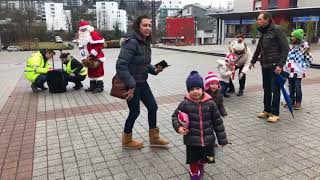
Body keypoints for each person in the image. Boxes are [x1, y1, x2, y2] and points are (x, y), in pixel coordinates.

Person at [116, 15, 169, 149]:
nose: (148, 28)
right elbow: (121, 65)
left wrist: (155, 70)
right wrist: (131, 84)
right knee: (134, 112)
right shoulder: (132, 42)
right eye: (145, 25)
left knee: (153, 107)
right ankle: (127, 140)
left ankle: (154, 138)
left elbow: (144, 64)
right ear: (138, 27)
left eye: (149, 25)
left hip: (142, 82)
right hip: (131, 85)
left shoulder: (145, 43)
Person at [172, 71, 228, 180]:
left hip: (207, 140)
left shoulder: (211, 103)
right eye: (191, 89)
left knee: (206, 158)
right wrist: (179, 127)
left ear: (203, 88)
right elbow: (175, 116)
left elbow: (218, 123)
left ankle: (201, 165)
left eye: (197, 88)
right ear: (188, 90)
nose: (195, 92)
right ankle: (194, 174)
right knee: (193, 160)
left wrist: (222, 140)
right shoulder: (185, 104)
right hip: (192, 140)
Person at [250, 12, 289, 123]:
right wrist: (253, 60)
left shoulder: (277, 30)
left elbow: (285, 48)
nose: (258, 21)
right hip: (265, 64)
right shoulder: (264, 32)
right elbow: (259, 47)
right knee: (266, 89)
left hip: (275, 66)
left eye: (259, 19)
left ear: (267, 20)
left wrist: (280, 65)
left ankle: (275, 113)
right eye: (258, 19)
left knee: (275, 90)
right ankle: (266, 110)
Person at [284, 29, 312, 110]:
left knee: (297, 87)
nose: (292, 38)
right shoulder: (292, 46)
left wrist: (303, 67)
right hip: (290, 71)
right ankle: (291, 101)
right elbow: (288, 57)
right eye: (291, 36)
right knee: (291, 87)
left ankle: (298, 102)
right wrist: (286, 66)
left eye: (293, 36)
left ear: (298, 37)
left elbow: (309, 59)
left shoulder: (304, 47)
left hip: (298, 71)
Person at [78, 21, 105, 93]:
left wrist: (93, 53)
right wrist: (83, 54)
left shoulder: (94, 34)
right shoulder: (81, 36)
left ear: (88, 28)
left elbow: (100, 45)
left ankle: (100, 87)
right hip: (88, 57)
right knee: (90, 71)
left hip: (97, 56)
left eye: (84, 29)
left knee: (97, 72)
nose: (83, 31)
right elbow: (81, 45)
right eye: (82, 30)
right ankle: (92, 86)